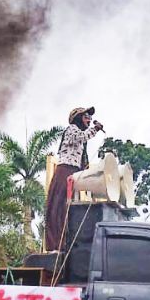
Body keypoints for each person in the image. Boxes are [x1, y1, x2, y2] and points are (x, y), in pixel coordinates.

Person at [44, 106, 103, 251]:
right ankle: (56, 243)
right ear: (78, 118)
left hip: (73, 172)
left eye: (90, 117)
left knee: (69, 208)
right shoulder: (72, 129)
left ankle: (65, 242)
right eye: (86, 117)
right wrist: (95, 129)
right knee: (59, 207)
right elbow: (81, 137)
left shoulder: (80, 135)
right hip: (65, 170)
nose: (89, 120)